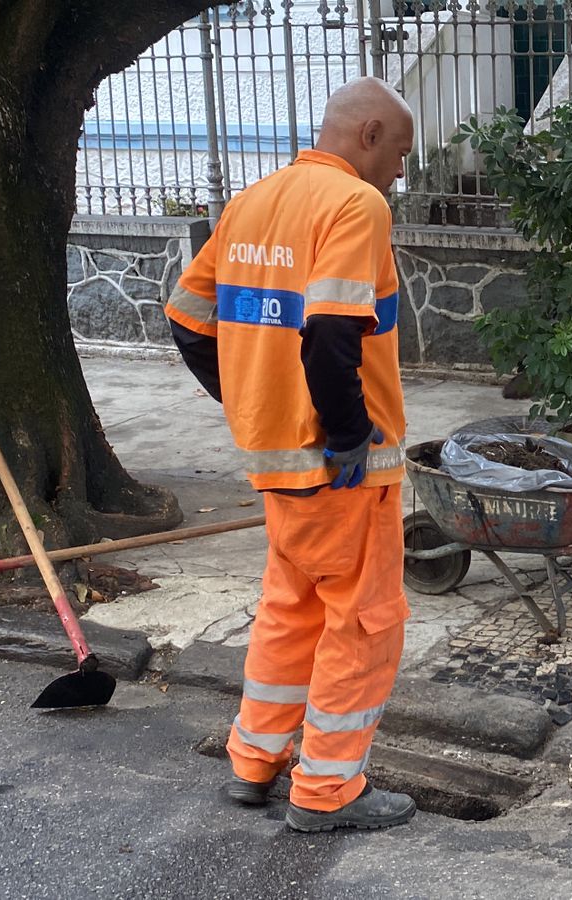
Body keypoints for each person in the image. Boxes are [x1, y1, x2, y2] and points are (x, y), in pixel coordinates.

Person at [164, 77, 418, 832]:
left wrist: (249, 399)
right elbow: (335, 332)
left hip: (277, 460)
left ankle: (255, 762)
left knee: (290, 608)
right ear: (368, 134)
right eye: (400, 154)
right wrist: (346, 435)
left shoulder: (254, 200)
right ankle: (330, 790)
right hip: (342, 467)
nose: (400, 173)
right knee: (361, 622)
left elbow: (186, 318)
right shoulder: (355, 205)